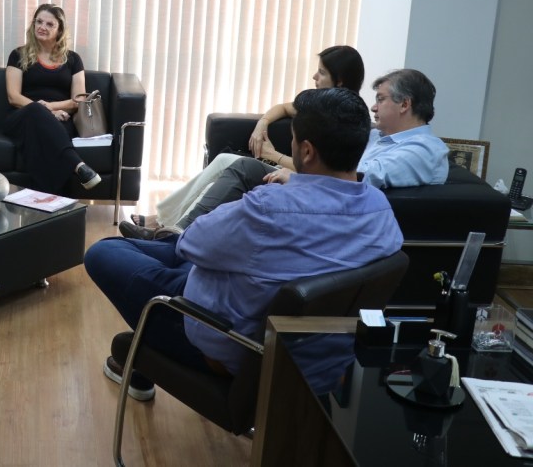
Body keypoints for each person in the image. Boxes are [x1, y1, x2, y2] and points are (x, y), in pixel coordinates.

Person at [84, 88, 403, 400]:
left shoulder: (269, 208)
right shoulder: (381, 210)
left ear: (306, 152)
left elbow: (191, 241)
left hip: (229, 340)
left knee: (104, 252)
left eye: (292, 138)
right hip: (321, 360)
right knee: (180, 251)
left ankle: (142, 353)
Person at [150, 67, 449, 239]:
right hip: (322, 190)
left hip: (329, 203)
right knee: (236, 162)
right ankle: (170, 227)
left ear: (405, 104)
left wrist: (295, 177)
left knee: (242, 167)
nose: (373, 106)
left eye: (381, 99)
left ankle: (177, 234)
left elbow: (359, 179)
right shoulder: (378, 137)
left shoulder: (422, 151)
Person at [122, 45, 365, 239]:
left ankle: (171, 230)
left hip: (305, 180)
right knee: (224, 160)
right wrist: (262, 124)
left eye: (321, 72)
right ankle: (164, 223)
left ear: (340, 81)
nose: (314, 76)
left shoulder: (344, 120)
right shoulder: (319, 104)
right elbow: (283, 108)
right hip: (296, 172)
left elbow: (326, 169)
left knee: (239, 166)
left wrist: (273, 155)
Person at [4, 3, 101, 193]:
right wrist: (46, 111)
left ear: (60, 30)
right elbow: (13, 97)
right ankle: (79, 166)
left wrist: (50, 108)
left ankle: (41, 203)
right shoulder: (18, 55)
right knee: (35, 111)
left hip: (60, 117)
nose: (42, 27)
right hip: (22, 116)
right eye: (39, 21)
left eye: (50, 24)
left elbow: (79, 100)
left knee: (43, 136)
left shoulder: (73, 59)